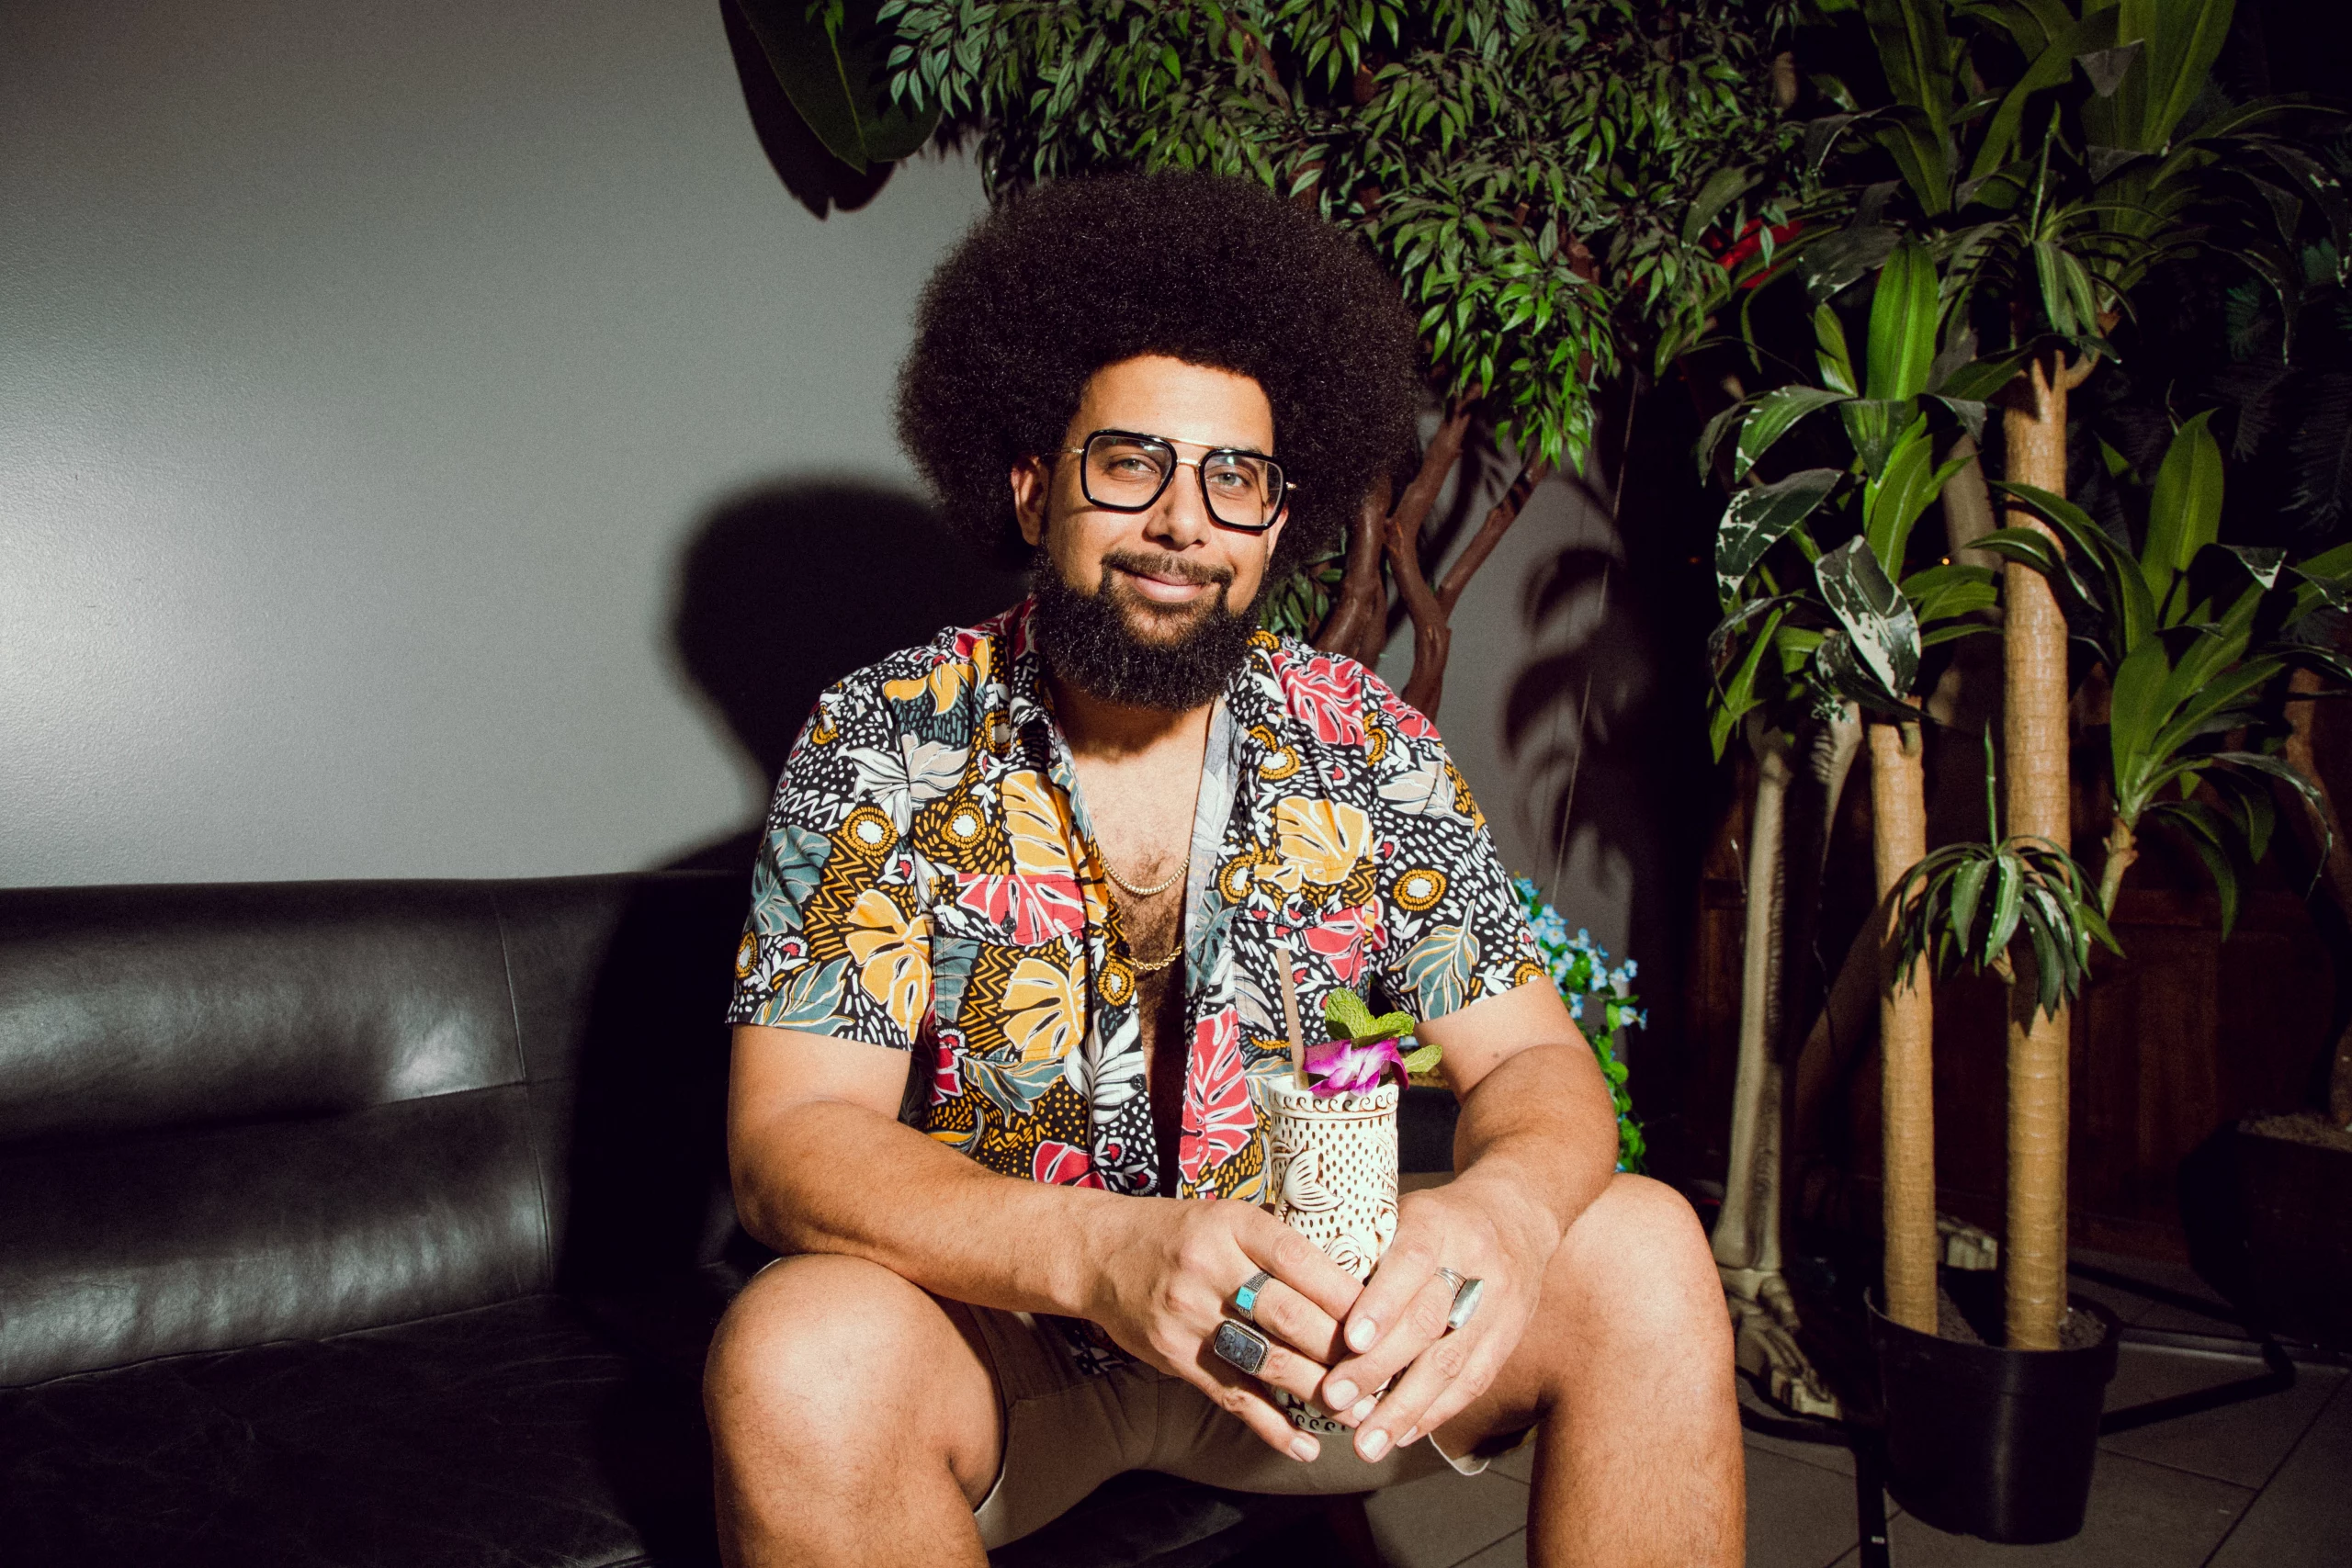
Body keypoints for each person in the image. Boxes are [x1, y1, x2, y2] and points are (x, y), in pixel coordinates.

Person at [704, 173, 1739, 1568]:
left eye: (1232, 479)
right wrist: (1104, 1255)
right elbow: (791, 1143)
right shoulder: (882, 737)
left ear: (1273, 521)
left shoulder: (1362, 741)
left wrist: (1500, 1209)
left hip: (1308, 1336)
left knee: (1645, 1245)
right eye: (1130, 464)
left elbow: (1533, 1063)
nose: (1184, 522)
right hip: (1014, 1345)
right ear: (1033, 487)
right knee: (795, 1352)